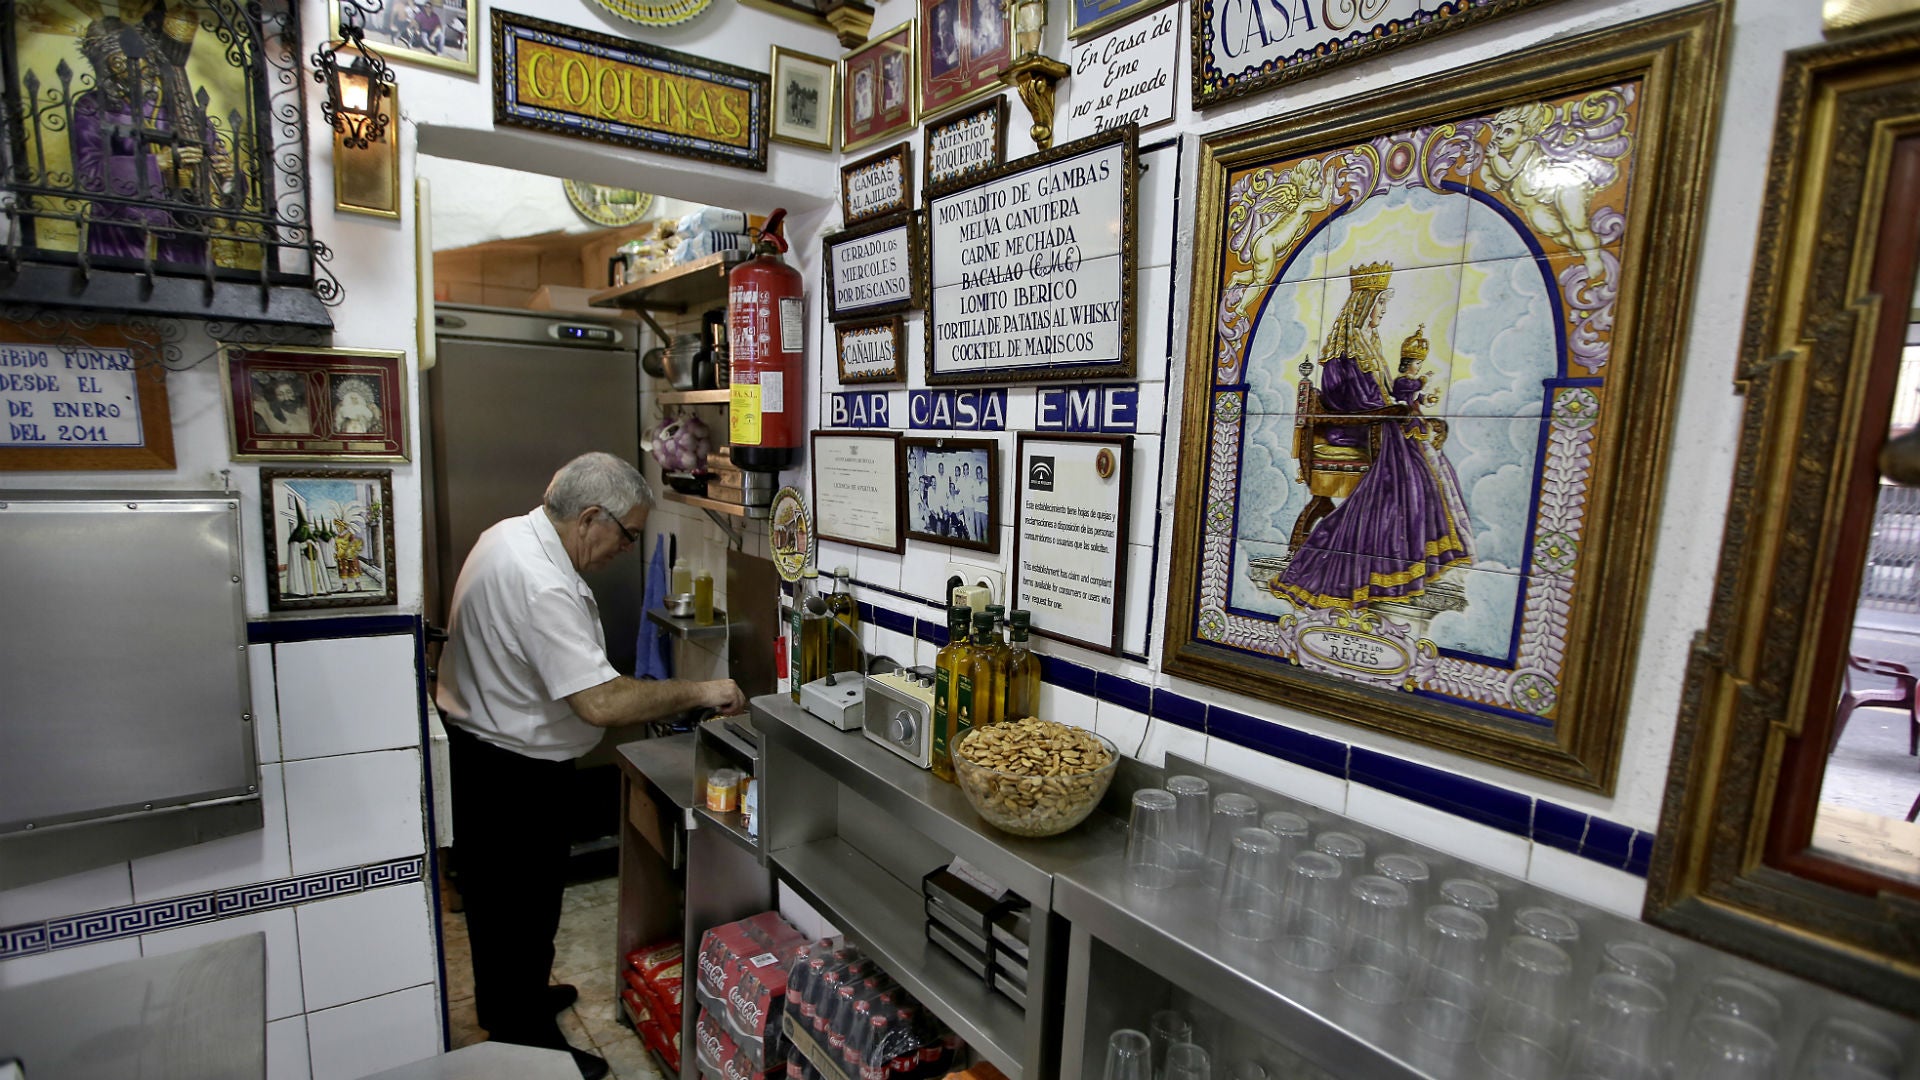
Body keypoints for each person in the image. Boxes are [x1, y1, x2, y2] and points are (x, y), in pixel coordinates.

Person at [437, 453, 747, 1080]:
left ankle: (512, 1001)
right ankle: (523, 1040)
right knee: (520, 908)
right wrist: (703, 691)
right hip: (512, 773)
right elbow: (601, 701)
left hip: (484, 751)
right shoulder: (540, 580)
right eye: (628, 533)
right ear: (590, 518)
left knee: (506, 906)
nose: (624, 548)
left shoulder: (505, 536)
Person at [1273, 265, 1472, 610]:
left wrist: (1398, 404)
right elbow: (1342, 401)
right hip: (1353, 427)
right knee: (1411, 469)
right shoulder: (1341, 355)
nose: (1382, 312)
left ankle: (1416, 555)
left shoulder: (1369, 345)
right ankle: (1386, 563)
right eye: (1380, 305)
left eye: (1384, 305)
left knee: (1423, 456)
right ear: (1364, 305)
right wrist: (1389, 410)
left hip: (1375, 424)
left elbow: (1383, 394)